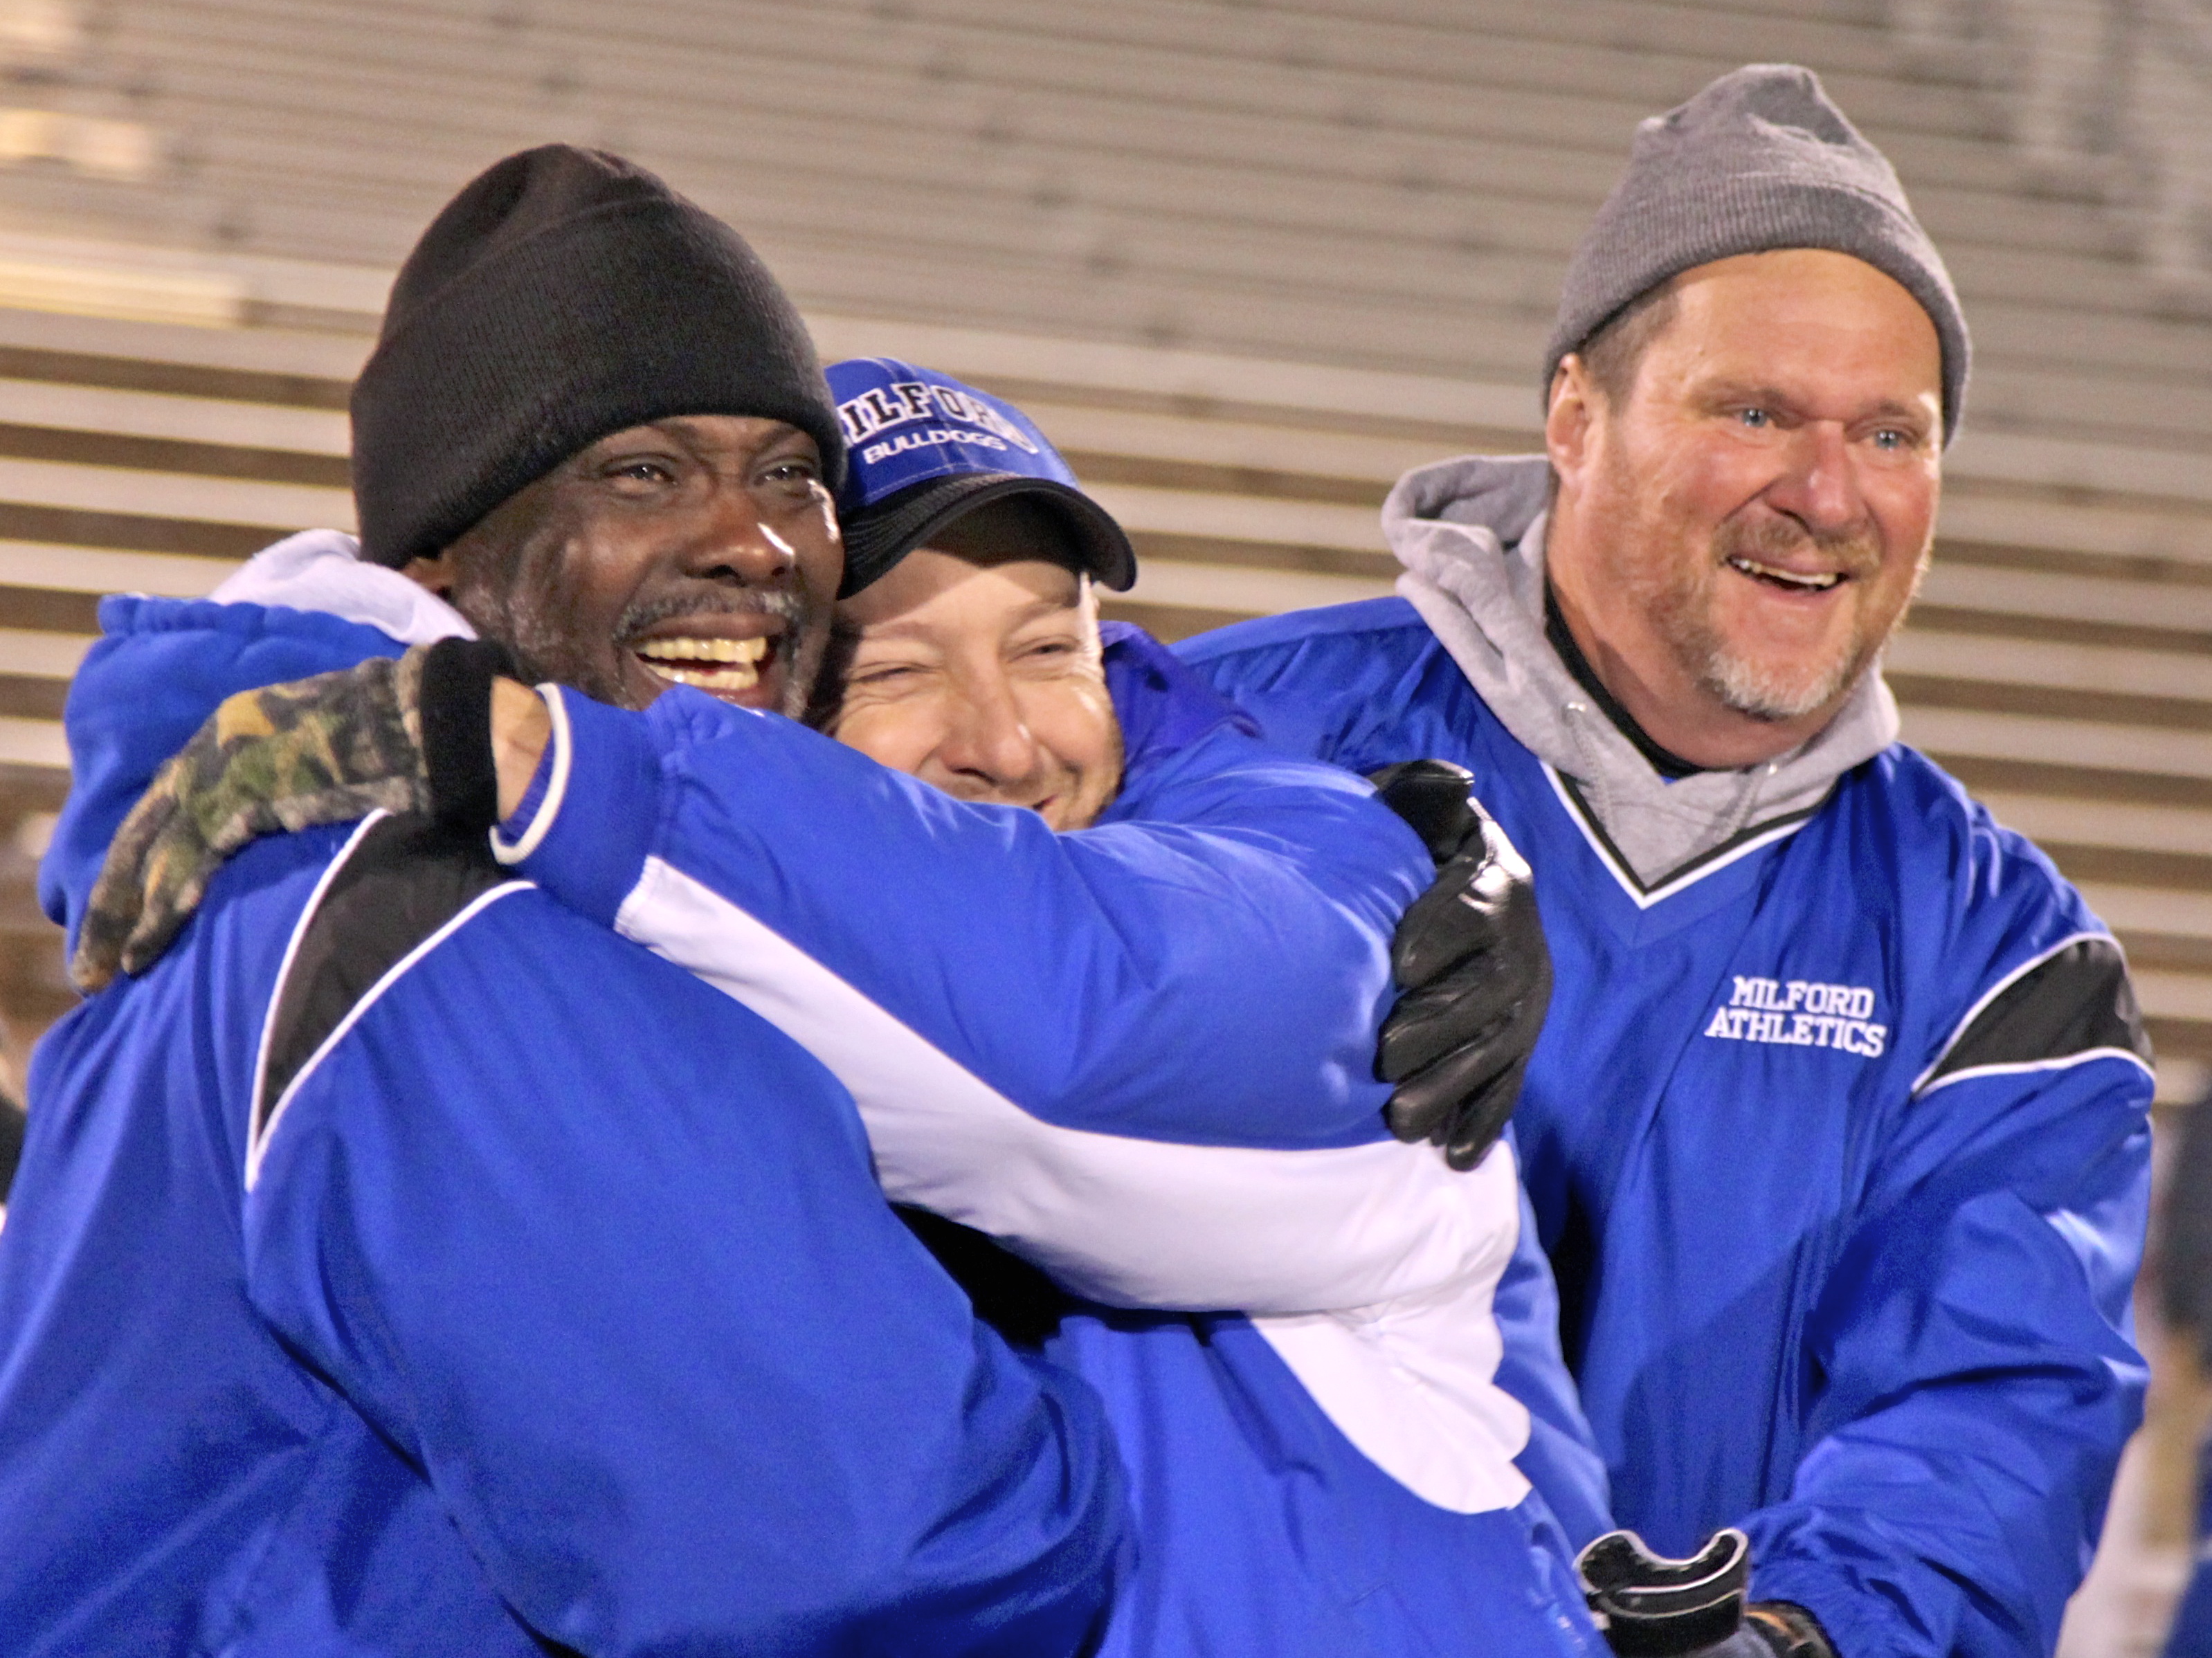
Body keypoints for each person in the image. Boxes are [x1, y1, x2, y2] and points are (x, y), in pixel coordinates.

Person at [73, 355, 1599, 1656]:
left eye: (1050, 647)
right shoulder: (639, 1032)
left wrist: (534, 752)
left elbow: (1076, 1017)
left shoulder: (1347, 960)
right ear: (765, 714)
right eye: (895, 671)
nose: (1004, 743)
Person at [0, 145, 1131, 1656]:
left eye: (789, 476)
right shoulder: (434, 917)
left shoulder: (351, 853)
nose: (751, 542)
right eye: (641, 474)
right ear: (441, 556)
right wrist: (1193, 1442)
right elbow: (848, 1547)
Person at [1179, 64, 2155, 1658]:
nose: (1824, 495)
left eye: (1889, 433)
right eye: (1752, 411)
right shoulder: (1234, 746)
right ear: (1574, 417)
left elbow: (1991, 1415)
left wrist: (1795, 1635)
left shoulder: (2000, 957)